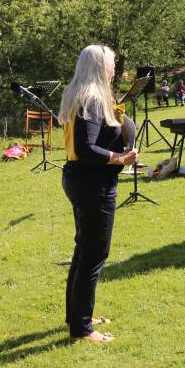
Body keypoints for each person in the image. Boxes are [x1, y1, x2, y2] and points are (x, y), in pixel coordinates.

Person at [58, 45, 139, 343]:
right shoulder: (91, 99)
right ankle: (81, 330)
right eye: (112, 63)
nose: (114, 68)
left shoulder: (82, 94)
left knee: (84, 251)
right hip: (92, 183)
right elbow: (86, 148)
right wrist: (119, 159)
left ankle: (76, 316)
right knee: (93, 254)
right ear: (99, 66)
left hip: (82, 179)